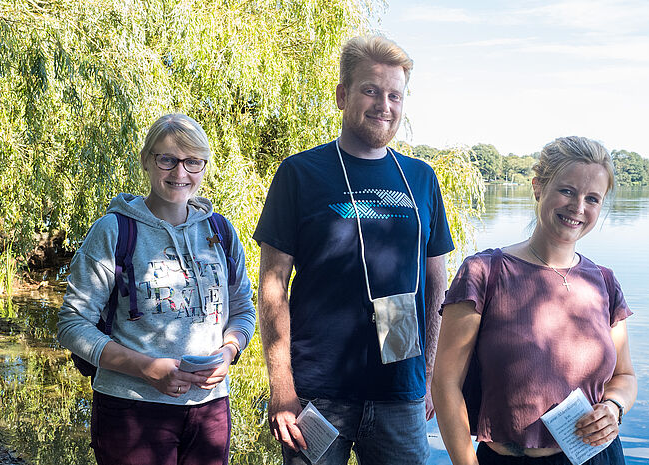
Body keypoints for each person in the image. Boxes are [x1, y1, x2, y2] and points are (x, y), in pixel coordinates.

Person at [253, 35, 454, 465]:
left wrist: (431, 375)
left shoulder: (420, 178)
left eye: (394, 95)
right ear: (343, 95)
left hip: (401, 391)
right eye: (371, 90)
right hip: (316, 393)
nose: (384, 105)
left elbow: (437, 283)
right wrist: (281, 386)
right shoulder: (299, 174)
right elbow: (271, 284)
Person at [57, 113, 256, 465]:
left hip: (210, 410)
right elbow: (73, 324)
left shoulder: (221, 232)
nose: (180, 173)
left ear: (204, 166)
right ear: (147, 161)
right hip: (132, 409)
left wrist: (228, 353)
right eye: (167, 159)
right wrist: (146, 368)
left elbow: (242, 310)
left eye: (193, 161)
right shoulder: (113, 231)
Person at [432, 136, 637, 465]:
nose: (578, 207)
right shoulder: (484, 273)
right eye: (567, 191)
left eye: (592, 199)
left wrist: (613, 408)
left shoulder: (605, 282)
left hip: (599, 457)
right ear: (538, 187)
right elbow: (445, 383)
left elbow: (624, 377)